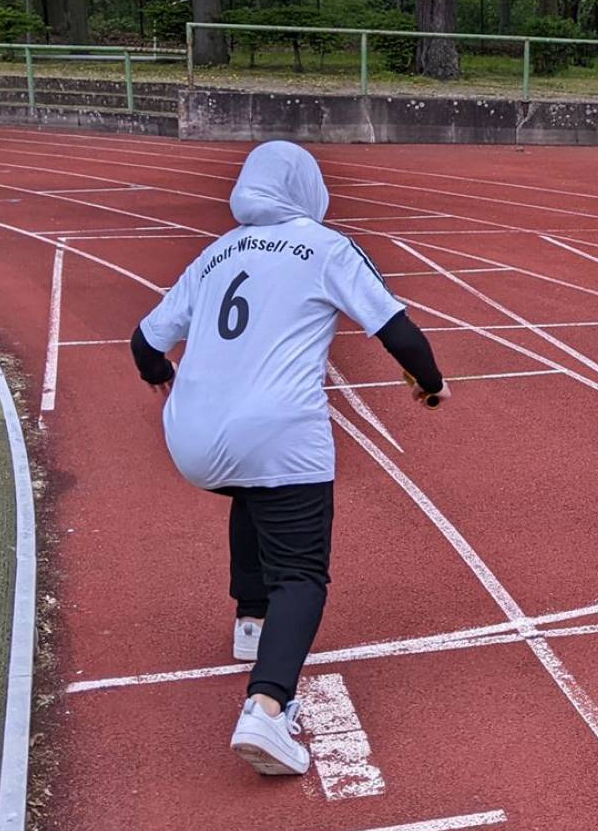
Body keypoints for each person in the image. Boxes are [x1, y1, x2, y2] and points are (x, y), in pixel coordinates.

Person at [130, 141, 450, 776]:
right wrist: (432, 383)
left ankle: (251, 621)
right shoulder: (326, 246)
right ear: (307, 189)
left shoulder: (216, 252)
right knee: (302, 572)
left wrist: (161, 377)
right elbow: (397, 330)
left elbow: (145, 342)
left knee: (255, 490)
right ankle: (268, 709)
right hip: (279, 431)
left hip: (192, 436)